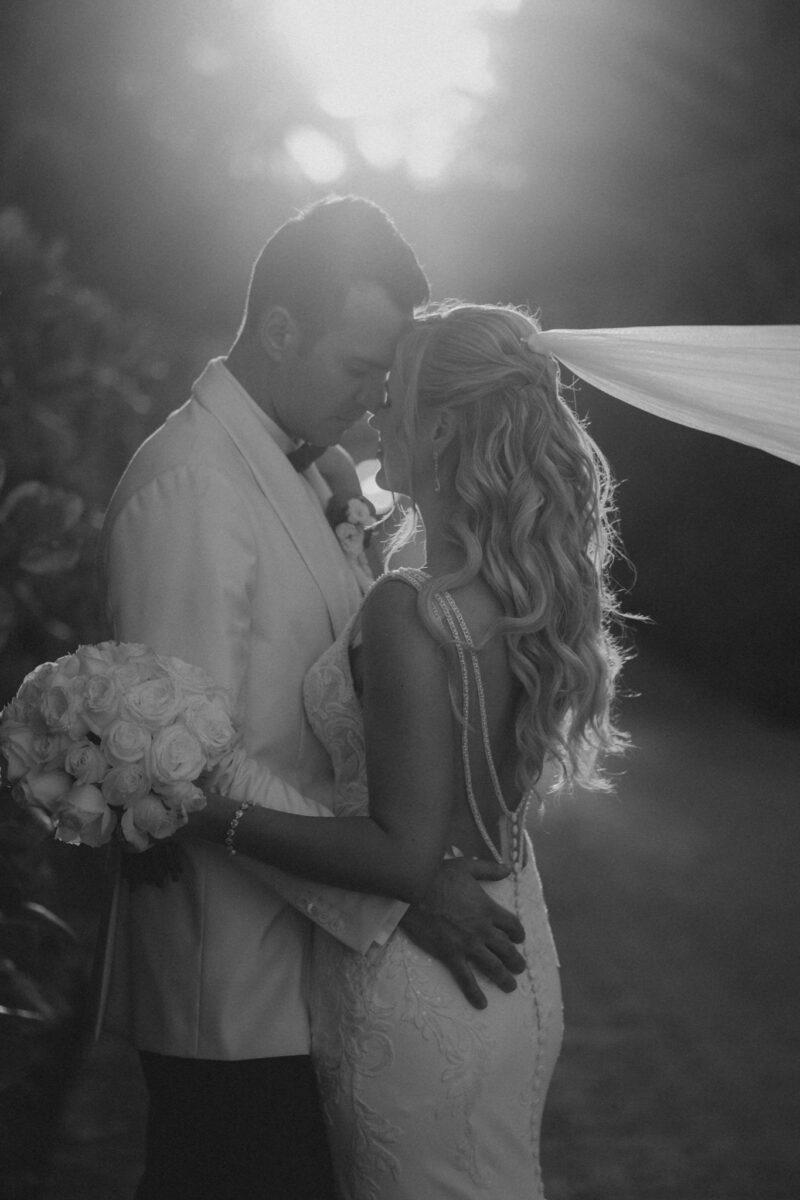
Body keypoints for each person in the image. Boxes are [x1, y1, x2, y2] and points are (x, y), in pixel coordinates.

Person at [100, 199, 528, 1200]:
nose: (374, 401)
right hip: (232, 998)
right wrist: (401, 873)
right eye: (357, 370)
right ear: (281, 329)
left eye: (385, 378)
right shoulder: (192, 490)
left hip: (308, 982)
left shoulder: (299, 473)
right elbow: (186, 754)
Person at [183, 301, 629, 1199]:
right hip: (513, 960)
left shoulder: (411, 610)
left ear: (448, 426)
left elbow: (402, 852)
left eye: (399, 400)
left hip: (423, 986)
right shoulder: (520, 597)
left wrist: (209, 813)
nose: (377, 416)